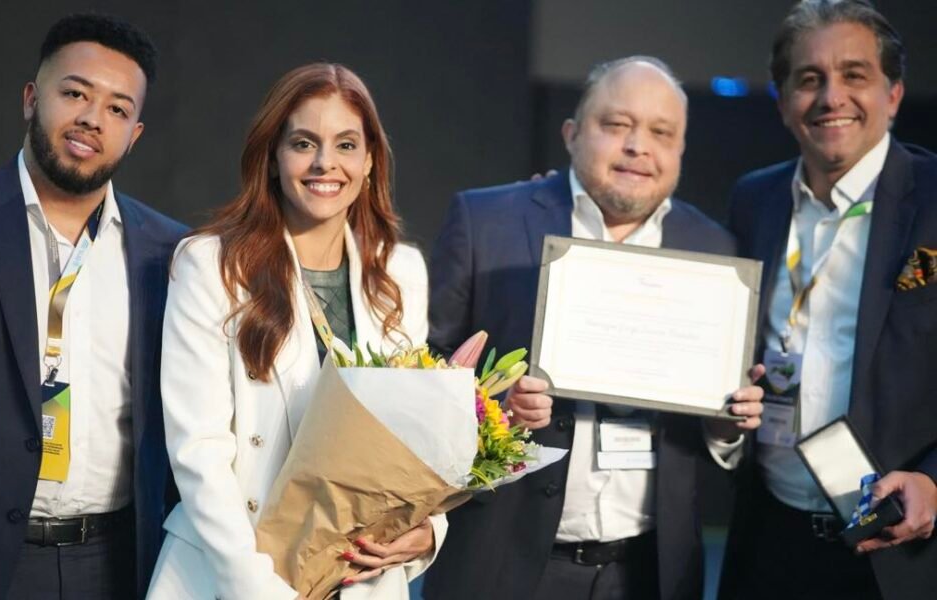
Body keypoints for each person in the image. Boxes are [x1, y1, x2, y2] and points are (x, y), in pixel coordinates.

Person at [424, 57, 764, 600]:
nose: (638, 146)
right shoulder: (485, 222)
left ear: (679, 151)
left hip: (650, 573)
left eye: (661, 133)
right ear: (572, 134)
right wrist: (496, 410)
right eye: (616, 124)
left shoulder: (715, 251)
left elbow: (715, 437)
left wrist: (725, 425)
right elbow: (427, 371)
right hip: (502, 565)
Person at [147, 63, 444, 600]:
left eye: (346, 145)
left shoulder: (401, 272)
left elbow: (415, 438)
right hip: (229, 573)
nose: (325, 163)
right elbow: (198, 451)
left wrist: (427, 529)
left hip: (358, 577)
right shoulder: (212, 264)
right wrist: (258, 587)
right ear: (272, 157)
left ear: (370, 161)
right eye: (304, 143)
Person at [0, 13, 187, 600]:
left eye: (117, 109)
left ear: (135, 134)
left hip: (118, 563)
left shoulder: (173, 252)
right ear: (32, 98)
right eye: (75, 93)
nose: (92, 119)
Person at [718, 2, 937, 599]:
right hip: (768, 539)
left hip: (898, 551)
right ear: (783, 100)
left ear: (893, 94)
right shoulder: (753, 200)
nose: (831, 96)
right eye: (809, 78)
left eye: (854, 75)